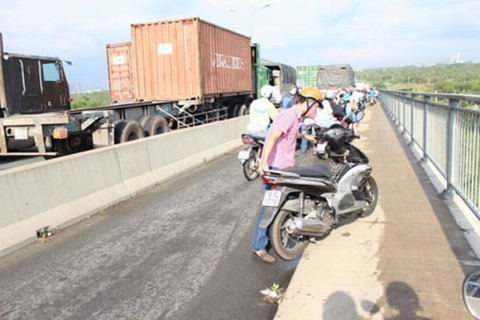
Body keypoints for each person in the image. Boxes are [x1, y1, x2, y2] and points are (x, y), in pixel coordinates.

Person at [252, 86, 322, 264]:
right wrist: (264, 163)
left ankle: (274, 237)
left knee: (279, 205)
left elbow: (290, 133)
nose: (316, 110)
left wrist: (306, 138)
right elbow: (273, 137)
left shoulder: (295, 117)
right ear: (308, 102)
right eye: (316, 106)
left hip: (283, 168)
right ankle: (259, 247)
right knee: (269, 207)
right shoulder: (289, 115)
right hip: (275, 168)